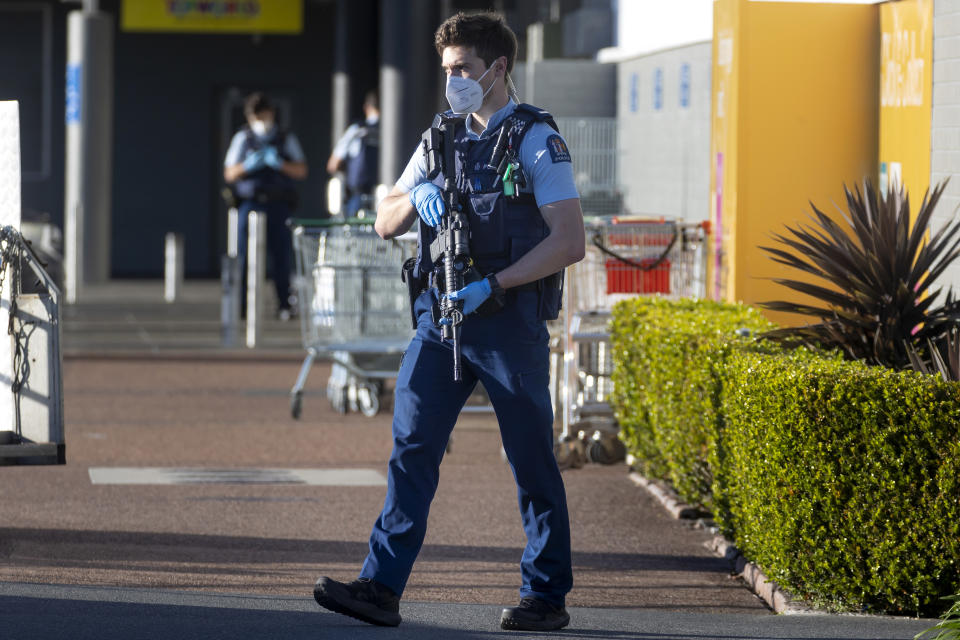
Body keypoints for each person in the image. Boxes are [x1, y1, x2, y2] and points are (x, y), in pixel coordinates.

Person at [313, 11, 585, 632]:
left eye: (462, 69)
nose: (452, 81)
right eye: (446, 70)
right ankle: (380, 588)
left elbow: (570, 240)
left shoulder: (537, 140)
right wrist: (421, 192)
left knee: (530, 460)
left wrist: (497, 281)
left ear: (498, 69)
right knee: (410, 448)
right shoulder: (440, 137)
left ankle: (546, 595)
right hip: (441, 320)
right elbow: (385, 221)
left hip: (507, 321)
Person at [223, 92, 308, 320]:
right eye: (254, 118)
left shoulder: (285, 138)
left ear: (270, 114)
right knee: (243, 257)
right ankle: (242, 306)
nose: (259, 122)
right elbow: (229, 172)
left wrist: (279, 164)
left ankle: (284, 305)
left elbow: (301, 170)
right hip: (250, 204)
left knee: (281, 257)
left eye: (262, 116)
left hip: (278, 204)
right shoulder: (243, 138)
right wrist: (247, 166)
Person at [326, 90, 381, 217]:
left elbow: (333, 164)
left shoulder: (357, 130)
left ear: (366, 107)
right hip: (387, 197)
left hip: (359, 198)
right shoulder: (392, 130)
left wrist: (347, 168)